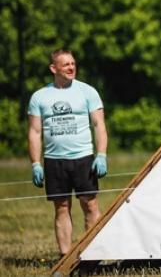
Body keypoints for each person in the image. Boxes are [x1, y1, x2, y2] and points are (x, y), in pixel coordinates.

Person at [27, 48, 108, 255]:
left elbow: (99, 125)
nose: (71, 67)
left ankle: (92, 255)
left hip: (83, 159)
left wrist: (101, 155)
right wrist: (36, 164)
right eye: (66, 64)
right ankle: (66, 257)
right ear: (53, 68)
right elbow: (35, 132)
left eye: (73, 63)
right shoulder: (39, 97)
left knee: (90, 205)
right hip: (54, 161)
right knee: (61, 207)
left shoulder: (87, 91)